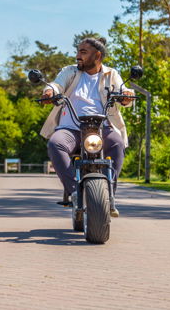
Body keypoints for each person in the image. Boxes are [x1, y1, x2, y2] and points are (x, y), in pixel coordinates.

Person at [39, 37, 134, 217]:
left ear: (97, 55)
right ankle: (75, 191)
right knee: (55, 144)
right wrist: (49, 91)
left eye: (83, 52)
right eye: (78, 52)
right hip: (71, 128)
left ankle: (109, 195)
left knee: (117, 144)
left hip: (102, 128)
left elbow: (123, 90)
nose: (78, 56)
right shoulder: (70, 72)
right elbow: (56, 85)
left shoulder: (111, 74)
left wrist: (127, 95)